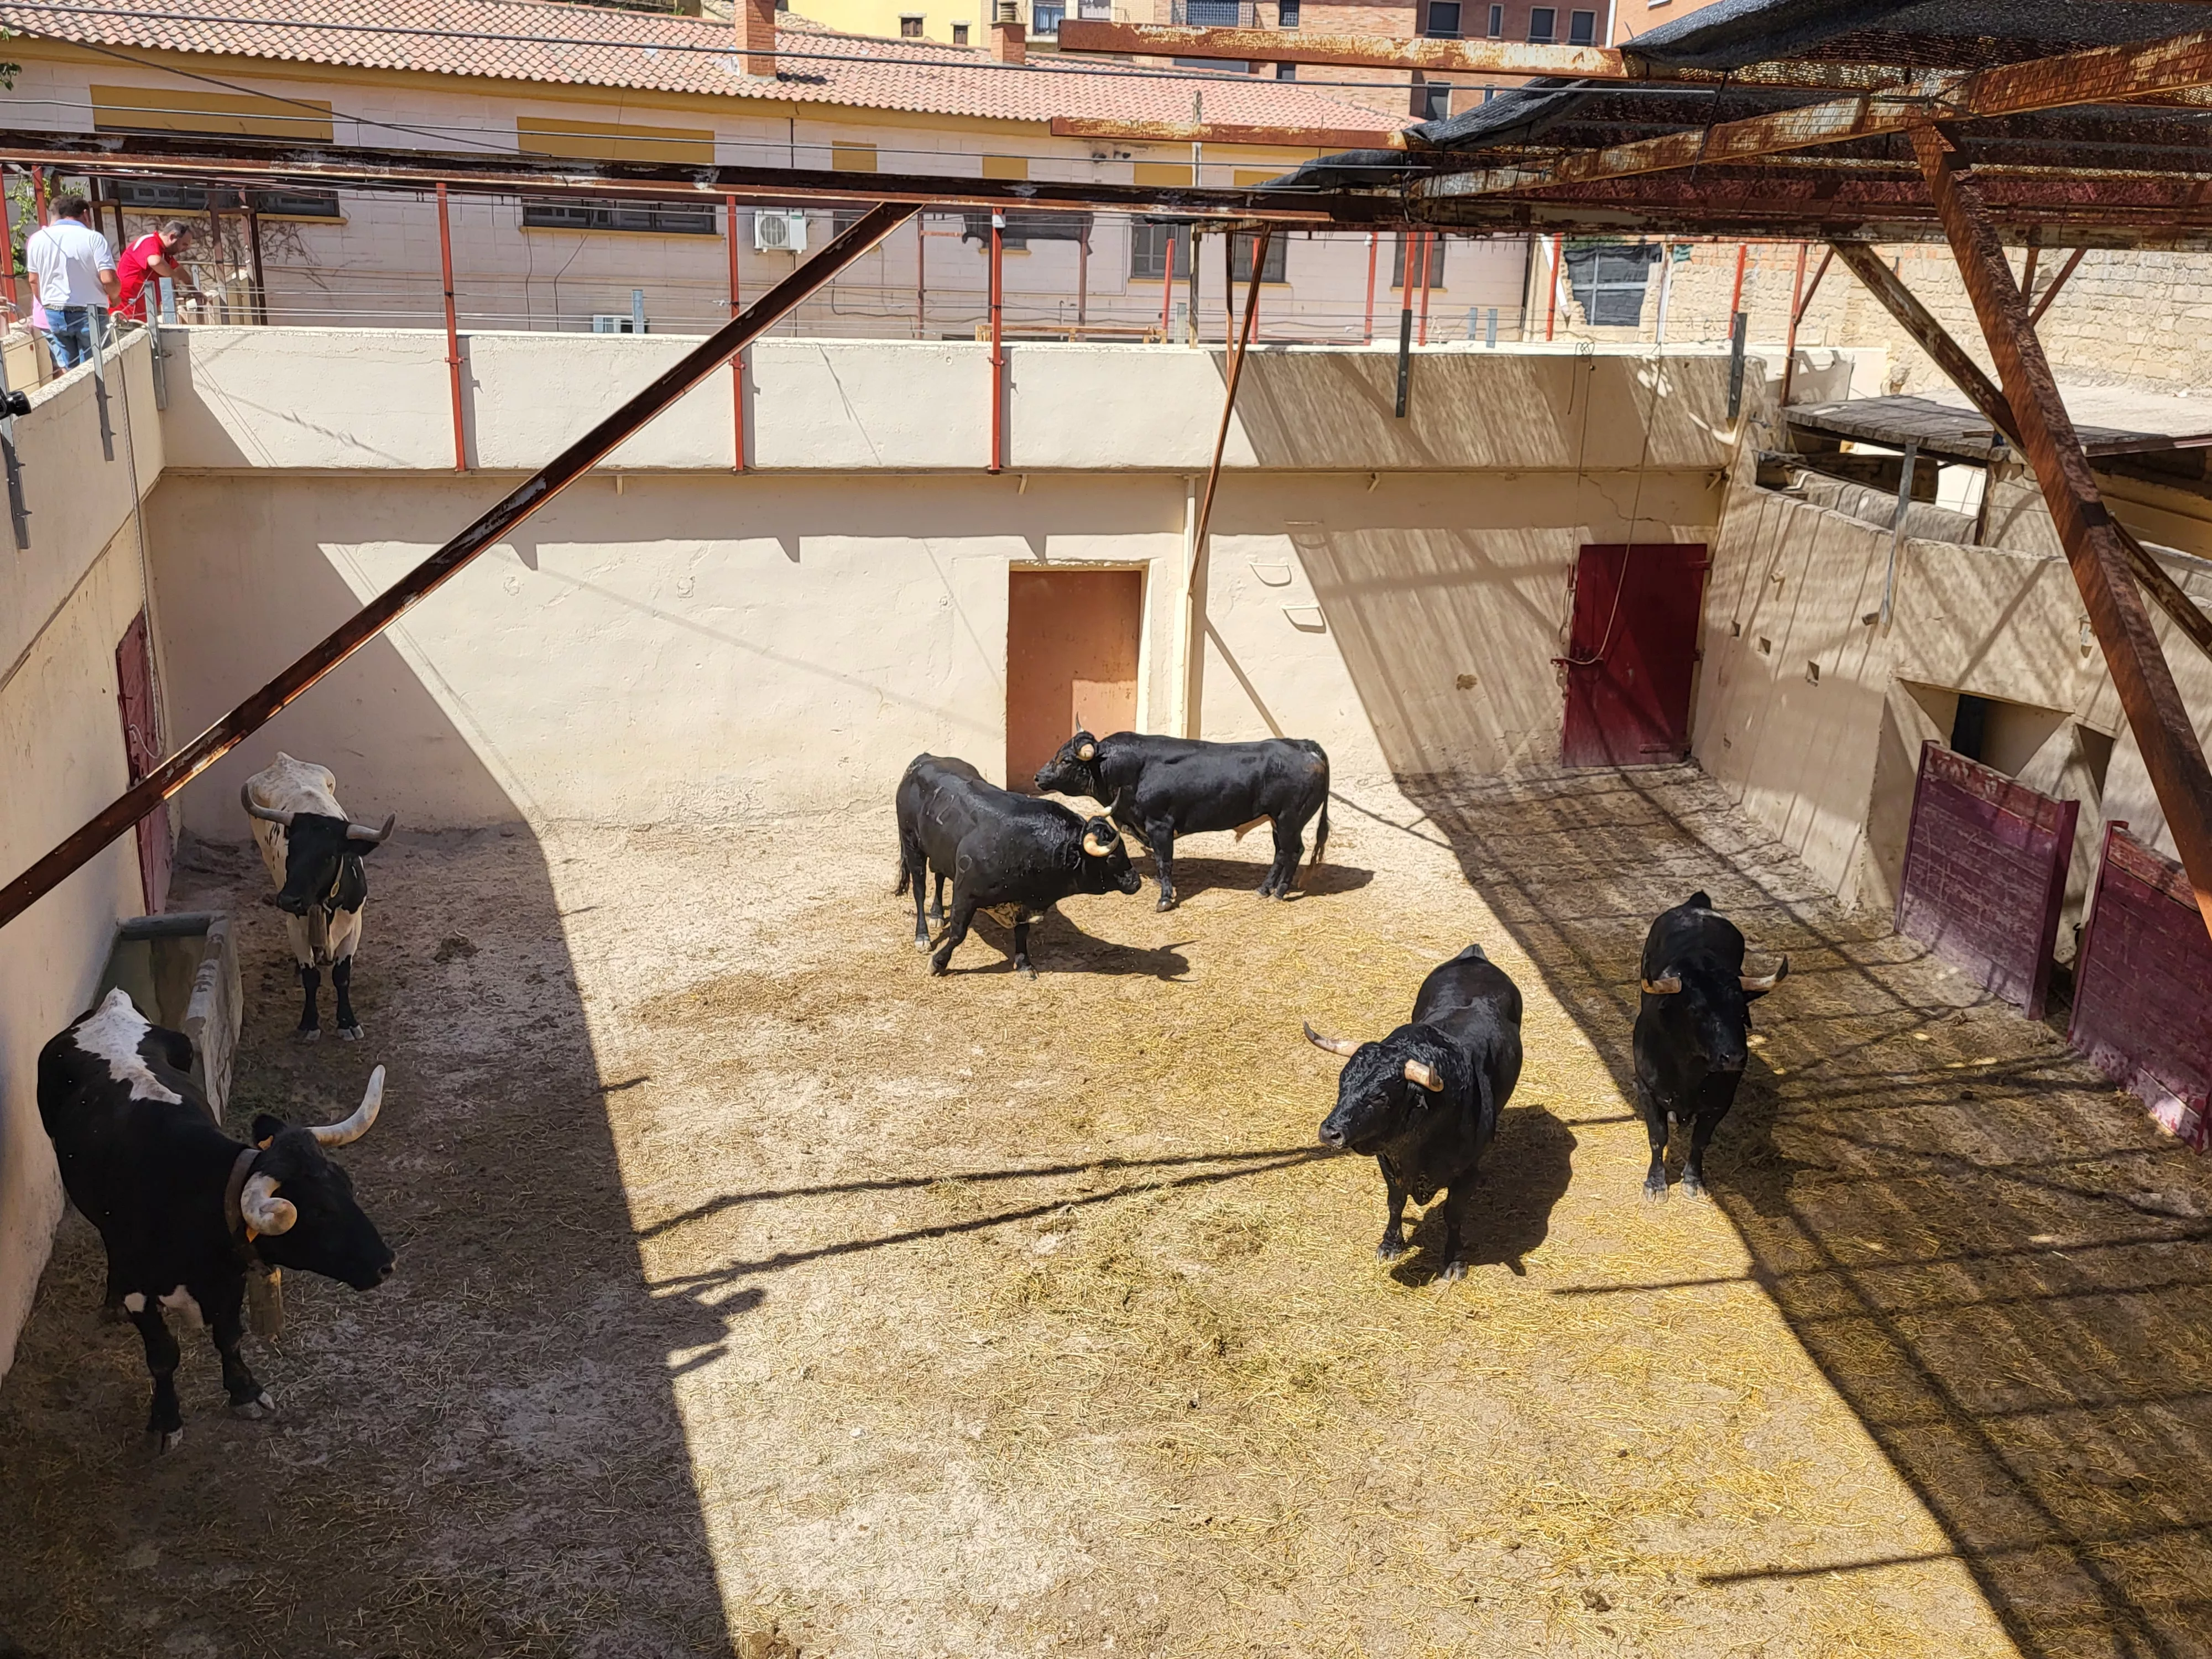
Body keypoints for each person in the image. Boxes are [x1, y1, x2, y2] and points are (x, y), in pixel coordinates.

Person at [24, 193, 117, 371]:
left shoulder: (39, 239)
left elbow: (34, 280)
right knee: (99, 367)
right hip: (90, 313)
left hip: (55, 312)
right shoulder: (93, 238)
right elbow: (108, 279)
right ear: (85, 214)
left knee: (71, 371)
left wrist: (47, 304)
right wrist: (115, 297)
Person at [116, 217, 200, 322]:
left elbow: (179, 271)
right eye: (184, 244)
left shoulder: (164, 252)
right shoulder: (150, 242)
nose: (186, 249)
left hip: (141, 310)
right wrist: (173, 277)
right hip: (127, 310)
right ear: (172, 237)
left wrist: (195, 292)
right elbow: (155, 262)